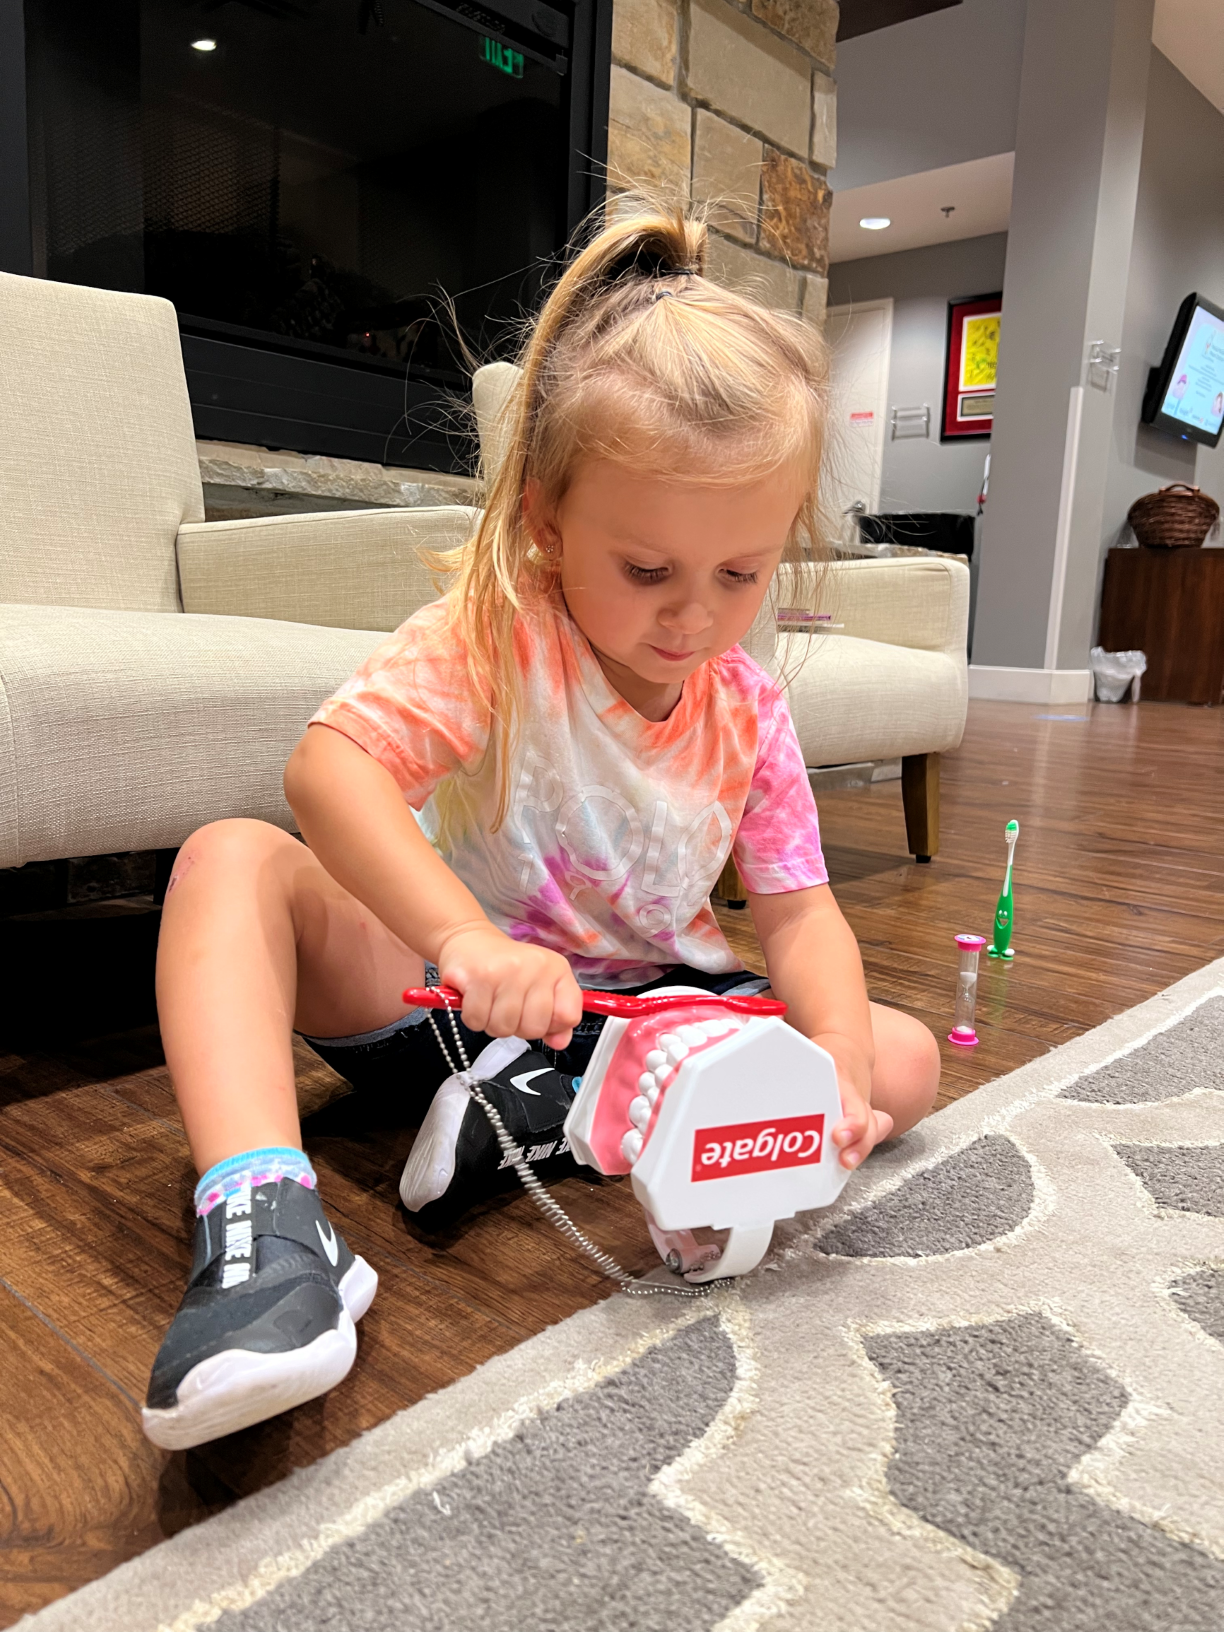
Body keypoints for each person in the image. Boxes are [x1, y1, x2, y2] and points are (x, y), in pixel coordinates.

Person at [141, 206, 941, 1450]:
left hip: (645, 1013)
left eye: (740, 575)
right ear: (545, 525)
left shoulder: (751, 710)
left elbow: (797, 912)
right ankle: (263, 1226)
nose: (693, 617)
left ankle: (562, 1112)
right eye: (646, 572)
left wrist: (831, 1058)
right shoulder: (501, 637)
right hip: (448, 1000)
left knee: (900, 1059)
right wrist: (463, 941)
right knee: (226, 860)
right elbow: (327, 771)